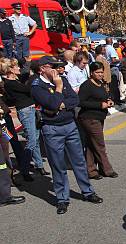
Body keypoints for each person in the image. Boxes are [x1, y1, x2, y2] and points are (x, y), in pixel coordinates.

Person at [30, 56, 103, 214]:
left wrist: (60, 105)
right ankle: (62, 198)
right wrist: (58, 89)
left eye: (58, 66)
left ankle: (87, 191)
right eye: (53, 66)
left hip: (70, 125)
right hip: (52, 129)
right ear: (42, 68)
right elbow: (51, 104)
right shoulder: (37, 85)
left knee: (79, 161)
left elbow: (74, 99)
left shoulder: (62, 79)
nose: (57, 69)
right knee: (58, 165)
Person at [1, 58, 48, 180]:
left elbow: (26, 78)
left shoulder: (15, 80)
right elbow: (28, 89)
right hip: (16, 115)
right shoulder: (9, 83)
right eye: (16, 67)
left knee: (32, 138)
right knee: (22, 140)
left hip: (16, 114)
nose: (19, 68)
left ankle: (38, 165)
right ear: (10, 69)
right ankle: (23, 168)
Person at [78, 62, 117, 180]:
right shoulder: (86, 85)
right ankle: (107, 169)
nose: (100, 74)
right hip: (89, 118)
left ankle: (91, 170)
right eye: (97, 72)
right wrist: (100, 105)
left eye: (101, 72)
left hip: (100, 117)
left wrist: (109, 101)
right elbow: (81, 102)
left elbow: (106, 95)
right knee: (100, 144)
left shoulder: (101, 83)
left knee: (91, 144)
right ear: (91, 73)